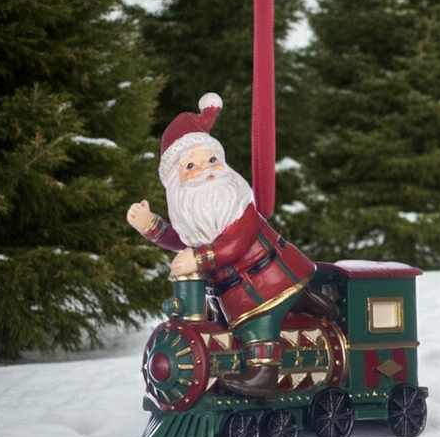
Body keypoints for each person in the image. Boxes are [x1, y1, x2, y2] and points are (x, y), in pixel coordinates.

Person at [127, 93, 317, 400]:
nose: (207, 170)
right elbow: (184, 240)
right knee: (238, 321)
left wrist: (198, 260)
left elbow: (236, 245)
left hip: (268, 280)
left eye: (212, 160)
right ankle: (312, 302)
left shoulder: (239, 205)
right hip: (235, 291)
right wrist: (152, 226)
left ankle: (264, 375)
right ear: (176, 184)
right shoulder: (198, 215)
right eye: (192, 166)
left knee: (258, 323)